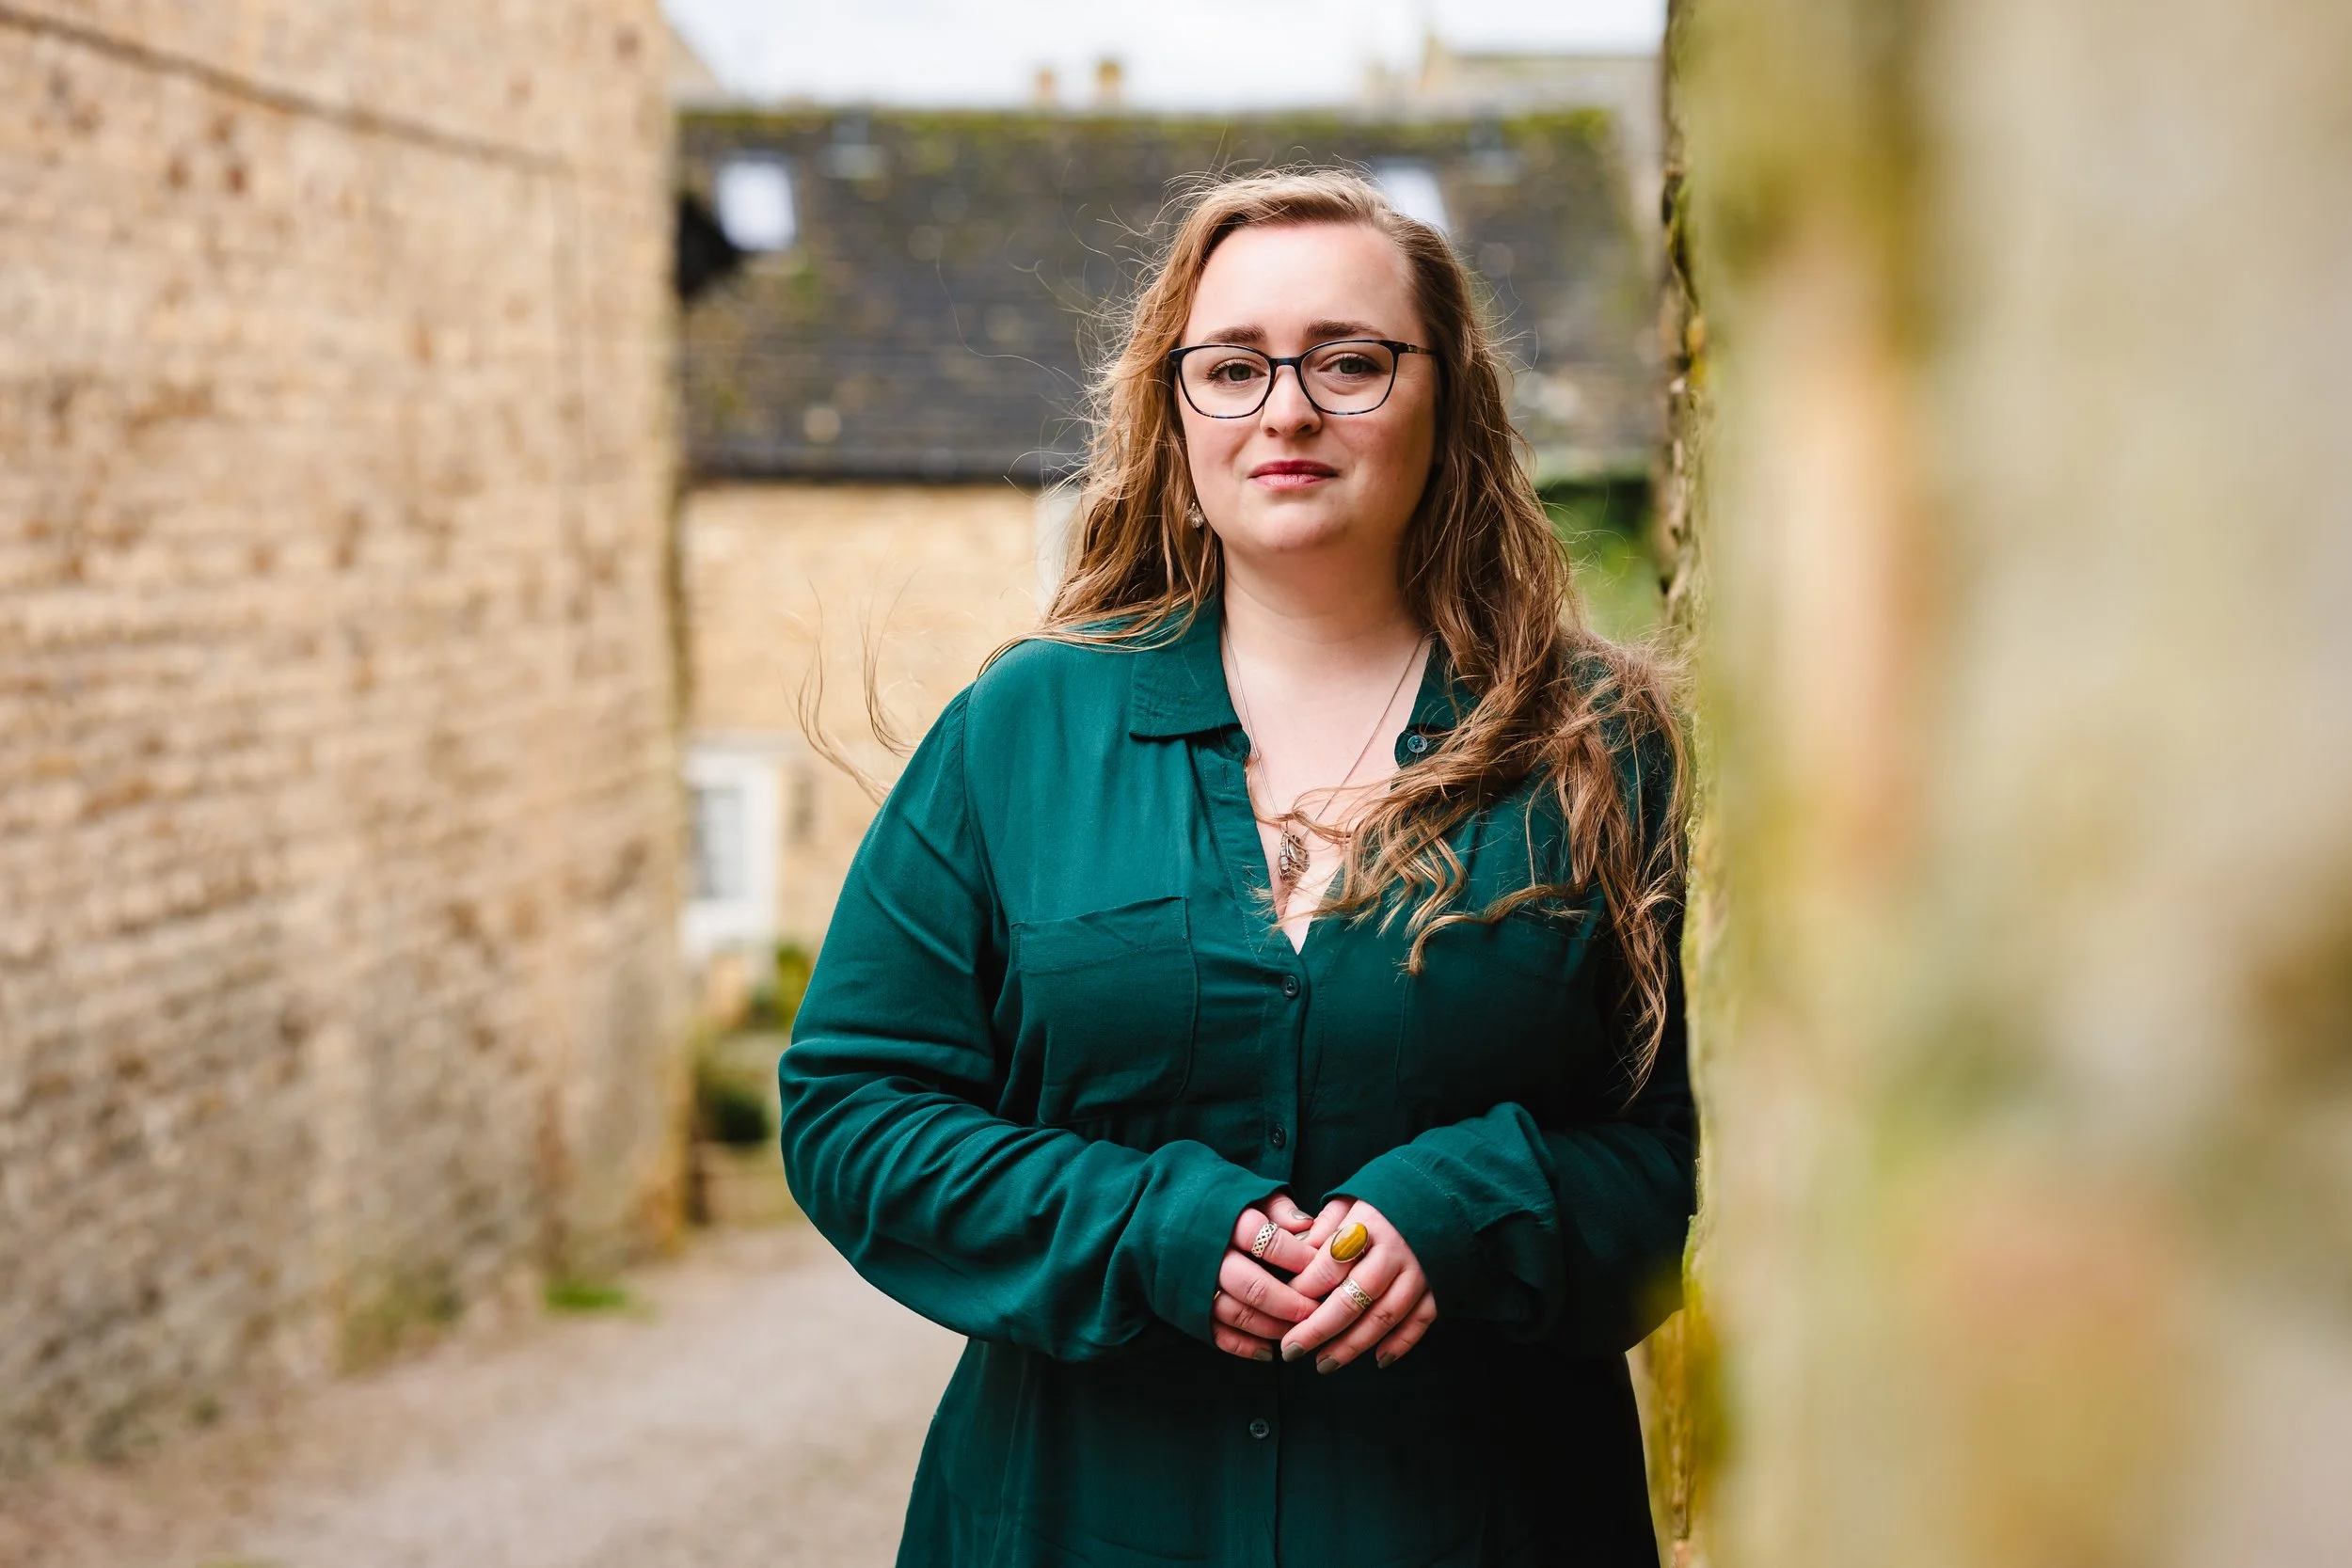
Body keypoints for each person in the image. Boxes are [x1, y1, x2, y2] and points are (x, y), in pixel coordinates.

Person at [777, 167, 1694, 1568]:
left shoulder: (1600, 747)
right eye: (1233, 368)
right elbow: (854, 1106)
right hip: (1072, 1522)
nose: (1287, 409)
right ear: (1175, 413)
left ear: (1446, 402)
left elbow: (1693, 1155)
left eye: (1350, 360)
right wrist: (1149, 1225)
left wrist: (1478, 1213)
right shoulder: (1023, 729)